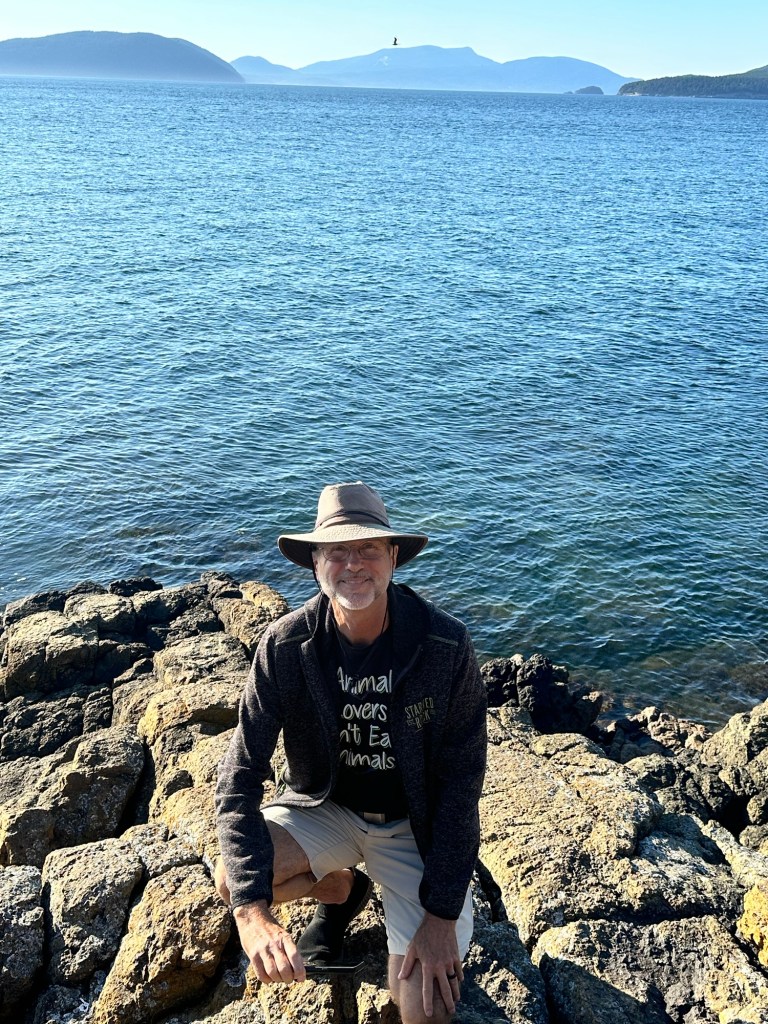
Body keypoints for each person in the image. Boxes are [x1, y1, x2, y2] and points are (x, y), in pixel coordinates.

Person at [214, 482, 487, 1023]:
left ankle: (384, 894)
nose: (353, 564)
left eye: (368, 549)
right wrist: (250, 915)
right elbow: (239, 774)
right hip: (326, 809)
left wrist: (439, 917)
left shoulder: (444, 646)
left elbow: (462, 784)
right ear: (316, 562)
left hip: (413, 827)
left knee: (426, 1012)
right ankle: (341, 886)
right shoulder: (286, 646)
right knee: (234, 876)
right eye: (337, 551)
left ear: (393, 557)